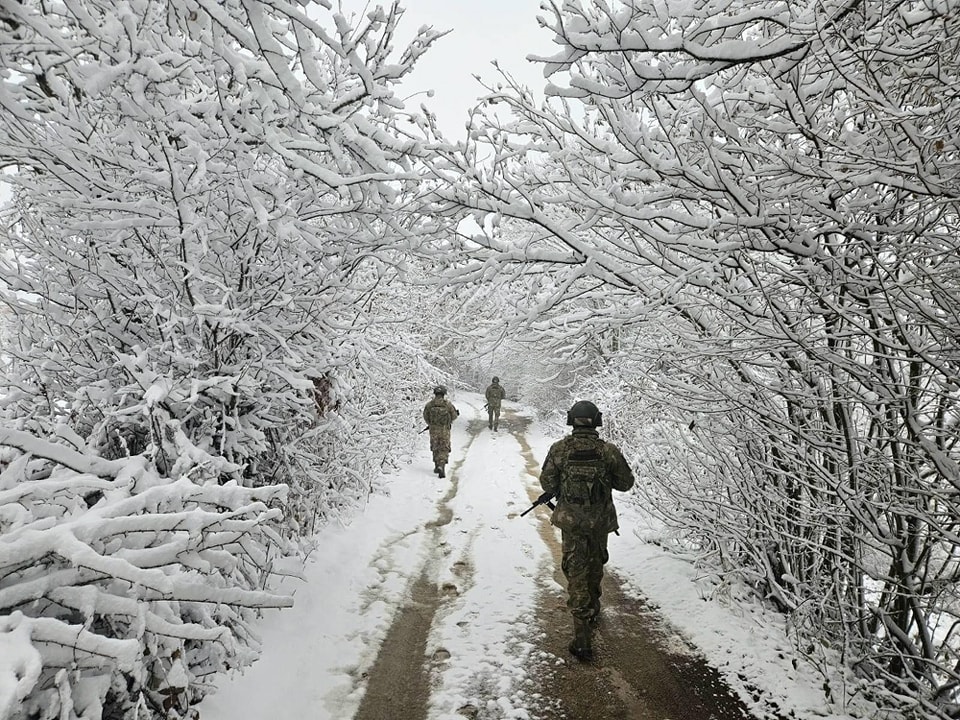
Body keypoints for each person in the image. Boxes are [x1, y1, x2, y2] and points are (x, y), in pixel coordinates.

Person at [539, 400, 634, 661]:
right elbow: (626, 483)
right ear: (597, 421)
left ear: (571, 420)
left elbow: (547, 481)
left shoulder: (560, 449)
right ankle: (593, 608)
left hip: (572, 523)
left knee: (576, 569)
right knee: (594, 564)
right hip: (600, 522)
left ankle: (582, 639)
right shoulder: (608, 451)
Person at [422, 385, 459, 478]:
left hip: (433, 430)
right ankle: (441, 465)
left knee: (435, 446)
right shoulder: (447, 404)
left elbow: (425, 416)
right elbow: (454, 416)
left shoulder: (430, 404)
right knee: (444, 447)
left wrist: (431, 424)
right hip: (444, 430)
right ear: (444, 394)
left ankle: (436, 465)